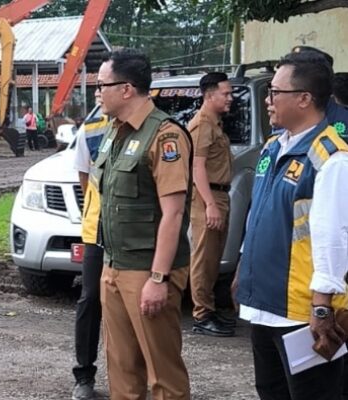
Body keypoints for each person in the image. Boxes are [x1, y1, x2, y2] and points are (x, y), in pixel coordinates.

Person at [234, 51, 348, 400]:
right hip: (265, 305)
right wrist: (242, 265)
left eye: (274, 93)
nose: (267, 101)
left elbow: (333, 237)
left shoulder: (332, 158)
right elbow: (257, 215)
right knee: (271, 392)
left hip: (302, 313)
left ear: (304, 99)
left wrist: (322, 306)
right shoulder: (272, 147)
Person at [94, 48, 192, 400]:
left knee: (162, 375)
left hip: (148, 271)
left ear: (126, 89)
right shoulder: (114, 132)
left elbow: (174, 213)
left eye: (102, 84)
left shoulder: (165, 136)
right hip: (114, 266)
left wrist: (158, 278)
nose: (96, 92)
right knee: (121, 370)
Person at [187, 72, 235, 337]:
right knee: (203, 257)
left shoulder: (215, 123)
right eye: (225, 94)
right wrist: (210, 205)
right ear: (209, 95)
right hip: (208, 197)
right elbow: (197, 167)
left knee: (214, 256)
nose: (230, 98)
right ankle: (202, 315)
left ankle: (210, 309)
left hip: (219, 195)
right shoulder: (202, 124)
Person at [71, 112, 109, 400]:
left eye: (104, 87)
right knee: (90, 298)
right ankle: (84, 376)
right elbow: (85, 178)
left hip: (134, 233)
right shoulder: (92, 128)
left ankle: (136, 375)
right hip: (96, 228)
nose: (99, 96)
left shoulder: (151, 128)